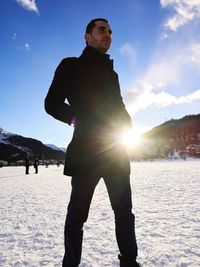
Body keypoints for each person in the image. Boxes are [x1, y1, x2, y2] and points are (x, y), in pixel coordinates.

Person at [45, 18, 141, 267]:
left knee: (124, 212)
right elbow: (51, 103)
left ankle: (129, 262)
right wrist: (77, 119)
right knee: (77, 216)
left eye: (110, 31)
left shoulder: (113, 73)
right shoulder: (71, 66)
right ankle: (71, 264)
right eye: (101, 29)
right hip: (86, 152)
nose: (108, 34)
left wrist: (127, 126)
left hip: (116, 152)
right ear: (87, 37)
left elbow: (119, 106)